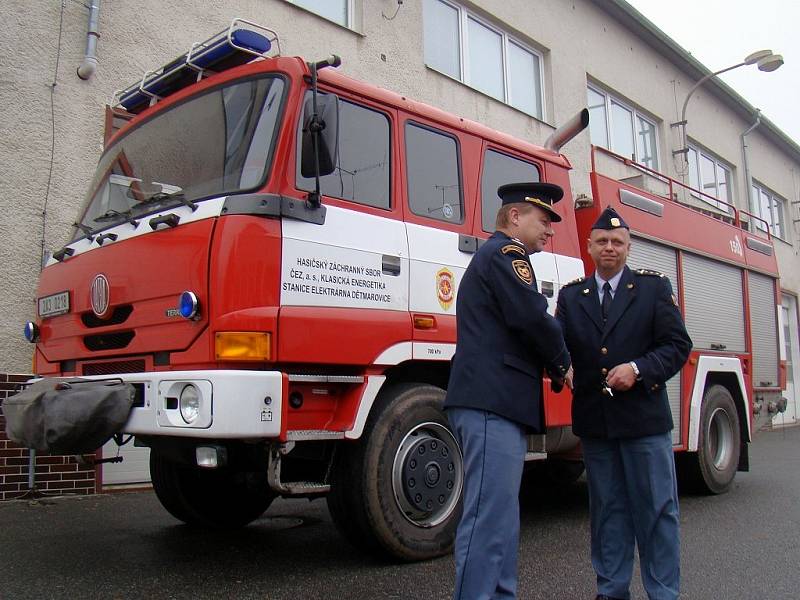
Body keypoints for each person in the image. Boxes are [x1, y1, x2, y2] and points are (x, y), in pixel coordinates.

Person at [555, 206, 692, 600]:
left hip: (644, 425)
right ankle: (611, 591)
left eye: (617, 242)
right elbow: (558, 345)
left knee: (656, 513)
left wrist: (637, 367)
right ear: (589, 246)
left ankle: (663, 593)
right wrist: (561, 367)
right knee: (608, 515)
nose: (609, 248)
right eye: (602, 241)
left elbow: (677, 345)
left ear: (629, 248)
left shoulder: (652, 289)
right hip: (598, 428)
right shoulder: (572, 296)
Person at [445, 181, 572, 600]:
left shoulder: (500, 257)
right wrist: (565, 364)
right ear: (515, 217)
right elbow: (531, 317)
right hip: (490, 403)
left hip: (498, 404)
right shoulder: (506, 254)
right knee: (487, 520)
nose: (551, 229)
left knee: (501, 520)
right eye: (543, 219)